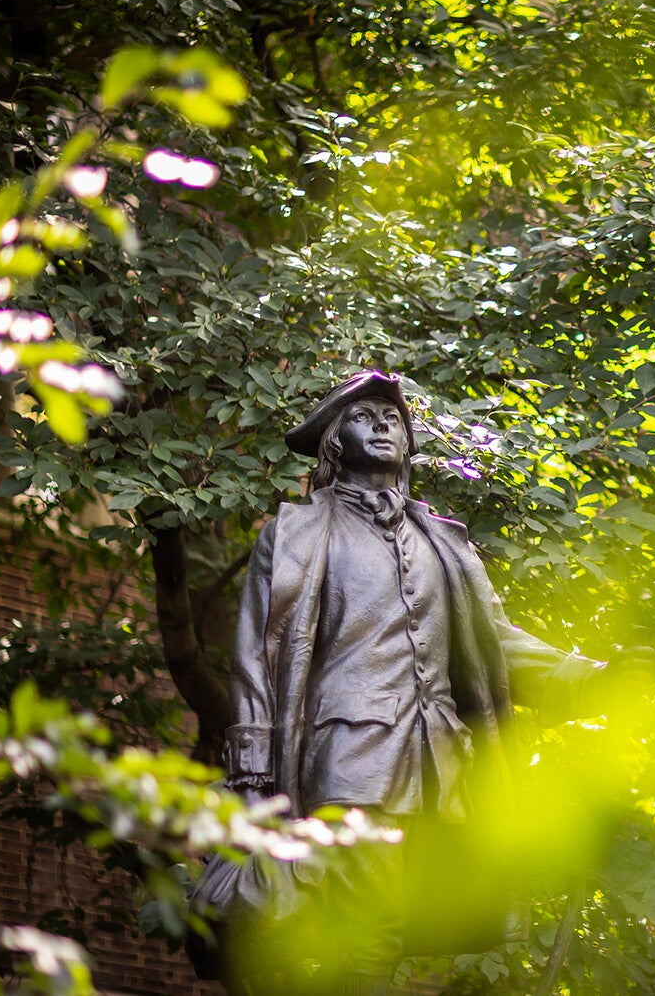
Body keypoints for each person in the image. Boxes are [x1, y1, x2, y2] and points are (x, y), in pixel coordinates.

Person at [202, 370, 607, 994]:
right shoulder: (299, 533)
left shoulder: (443, 542)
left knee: (390, 931)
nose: (385, 424)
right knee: (365, 924)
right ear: (336, 441)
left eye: (394, 417)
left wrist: (589, 680)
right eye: (366, 416)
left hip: (438, 759)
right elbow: (257, 656)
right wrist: (254, 778)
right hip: (349, 754)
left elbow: (494, 641)